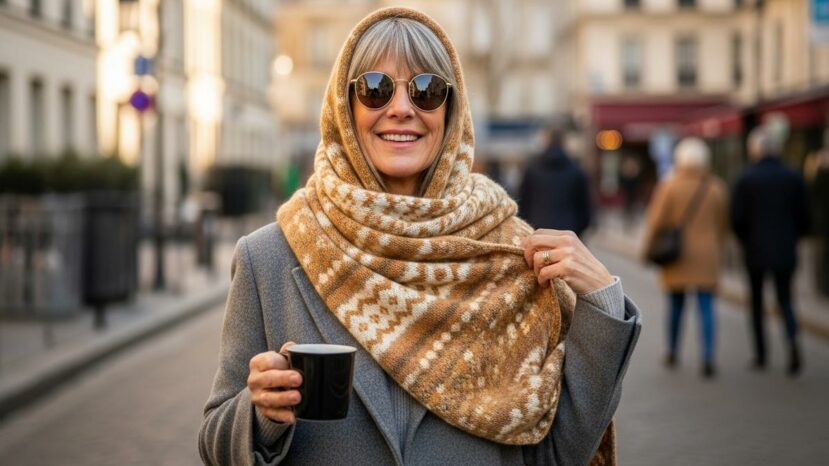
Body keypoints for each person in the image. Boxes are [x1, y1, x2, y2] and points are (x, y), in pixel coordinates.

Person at [199, 8, 641, 466]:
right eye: (375, 88)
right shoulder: (268, 257)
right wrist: (260, 415)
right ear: (345, 108)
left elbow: (556, 456)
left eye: (427, 90)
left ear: (451, 111)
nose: (401, 108)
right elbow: (215, 441)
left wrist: (602, 305)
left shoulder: (513, 254)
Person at [642, 138, 728, 378]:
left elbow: (656, 221)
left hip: (676, 255)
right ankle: (708, 356)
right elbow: (723, 224)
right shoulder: (716, 187)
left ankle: (672, 350)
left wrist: (646, 249)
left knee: (675, 305)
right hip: (707, 254)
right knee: (706, 305)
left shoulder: (669, 186)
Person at [731, 126, 811, 376]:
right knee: (786, 299)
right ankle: (792, 342)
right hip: (785, 248)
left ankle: (761, 353)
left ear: (754, 150)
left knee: (756, 303)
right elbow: (805, 215)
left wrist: (745, 239)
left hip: (755, 249)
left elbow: (737, 218)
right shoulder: (792, 176)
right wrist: (794, 236)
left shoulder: (746, 178)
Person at [518, 127, 593, 237]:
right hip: (568, 232)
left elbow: (522, 203)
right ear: (564, 142)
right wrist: (578, 230)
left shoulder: (532, 168)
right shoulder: (576, 170)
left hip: (537, 230)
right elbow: (585, 208)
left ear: (546, 140)